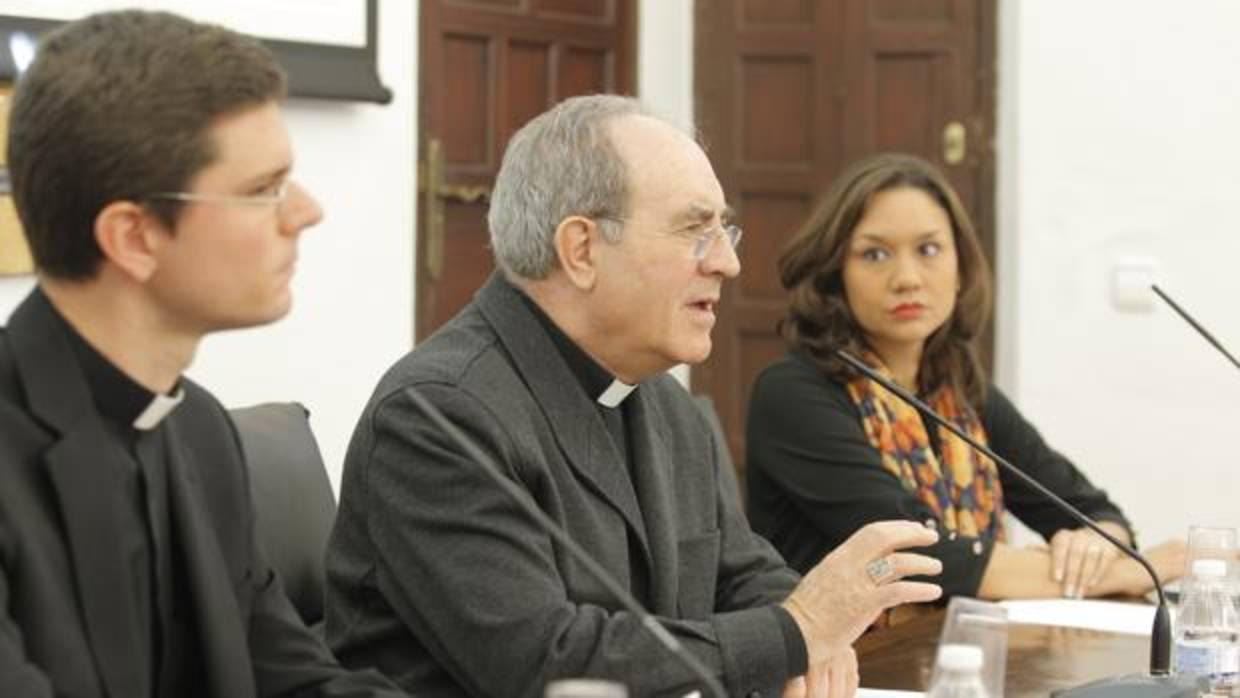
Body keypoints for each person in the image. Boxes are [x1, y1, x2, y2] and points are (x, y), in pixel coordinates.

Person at [325, 95, 943, 698]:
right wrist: (796, 630)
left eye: (724, 230)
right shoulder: (438, 416)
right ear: (583, 250)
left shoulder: (663, 401)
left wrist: (812, 639)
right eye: (695, 230)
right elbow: (547, 665)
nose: (727, 262)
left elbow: (744, 575)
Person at [0, 10, 405, 698]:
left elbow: (291, 676)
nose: (306, 211)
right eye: (262, 189)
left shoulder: (198, 430)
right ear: (134, 237)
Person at [746, 152, 1185, 603]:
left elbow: (1091, 511)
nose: (907, 278)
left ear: (961, 268)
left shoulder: (959, 391)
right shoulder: (792, 394)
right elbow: (922, 556)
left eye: (929, 249)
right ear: (835, 274)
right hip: (845, 664)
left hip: (952, 652)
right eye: (875, 254)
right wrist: (1121, 574)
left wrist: (1095, 546)